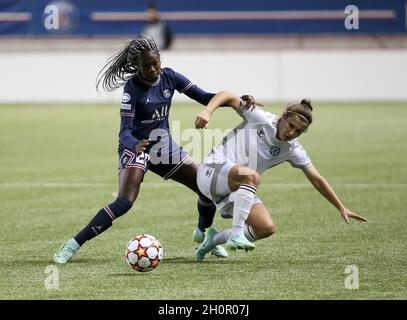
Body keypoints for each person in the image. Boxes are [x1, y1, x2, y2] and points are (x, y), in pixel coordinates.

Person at [53, 38, 256, 264]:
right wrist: (135, 146)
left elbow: (206, 97)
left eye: (156, 63)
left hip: (163, 146)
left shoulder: (170, 77)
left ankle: (203, 233)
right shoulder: (132, 89)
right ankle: (72, 245)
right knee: (124, 202)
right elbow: (124, 133)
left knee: (206, 188)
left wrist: (239, 100)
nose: (153, 69)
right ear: (137, 67)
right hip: (137, 147)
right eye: (147, 66)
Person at [194, 91, 368, 261]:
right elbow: (227, 95)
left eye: (298, 131)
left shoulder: (292, 149)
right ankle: (237, 233)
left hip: (234, 187)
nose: (292, 133)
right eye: (291, 125)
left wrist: (341, 207)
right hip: (211, 171)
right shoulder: (260, 118)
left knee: (265, 228)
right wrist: (207, 111)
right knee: (252, 176)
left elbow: (317, 179)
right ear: (284, 116)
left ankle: (212, 241)